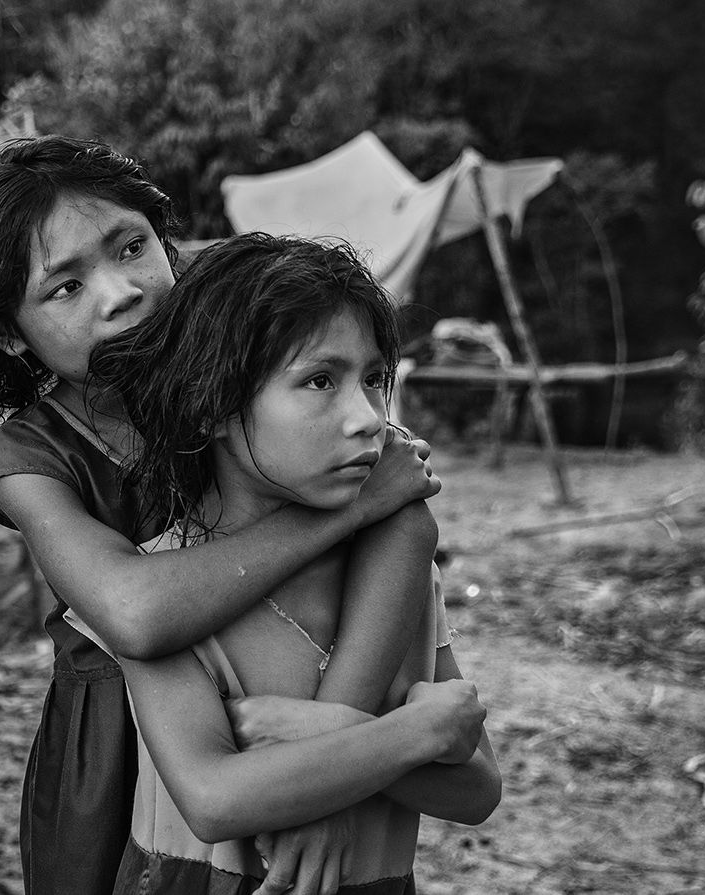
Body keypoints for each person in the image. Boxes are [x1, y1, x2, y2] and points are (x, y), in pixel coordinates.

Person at [0, 136, 442, 895]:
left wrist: (330, 756)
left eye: (132, 246)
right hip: (112, 748)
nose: (120, 292)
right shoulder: (31, 457)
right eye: (65, 287)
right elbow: (135, 615)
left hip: (286, 704)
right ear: (11, 330)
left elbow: (405, 510)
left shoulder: (251, 357)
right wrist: (351, 512)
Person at [77, 232, 501, 893]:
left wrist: (322, 733)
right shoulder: (169, 592)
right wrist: (415, 731)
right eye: (320, 380)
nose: (365, 418)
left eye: (374, 379)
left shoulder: (404, 575)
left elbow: (477, 789)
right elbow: (214, 797)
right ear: (210, 405)